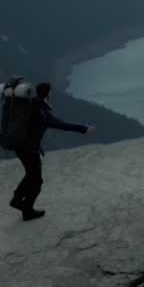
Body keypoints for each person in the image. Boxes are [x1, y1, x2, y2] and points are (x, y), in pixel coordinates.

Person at [9, 82, 96, 221]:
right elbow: (60, 125)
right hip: (30, 148)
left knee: (30, 174)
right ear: (48, 94)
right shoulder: (41, 110)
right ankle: (27, 210)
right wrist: (83, 128)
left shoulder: (30, 104)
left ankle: (17, 199)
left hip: (18, 146)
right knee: (37, 181)